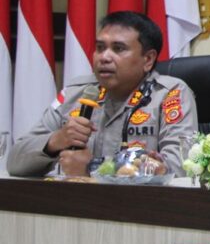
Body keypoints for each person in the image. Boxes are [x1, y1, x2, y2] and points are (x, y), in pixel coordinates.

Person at [7, 11, 198, 178]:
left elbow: (181, 167)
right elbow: (14, 162)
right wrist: (55, 141)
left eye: (118, 49)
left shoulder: (169, 94)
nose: (104, 57)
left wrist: (92, 168)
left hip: (141, 205)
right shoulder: (77, 93)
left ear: (148, 59)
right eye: (100, 48)